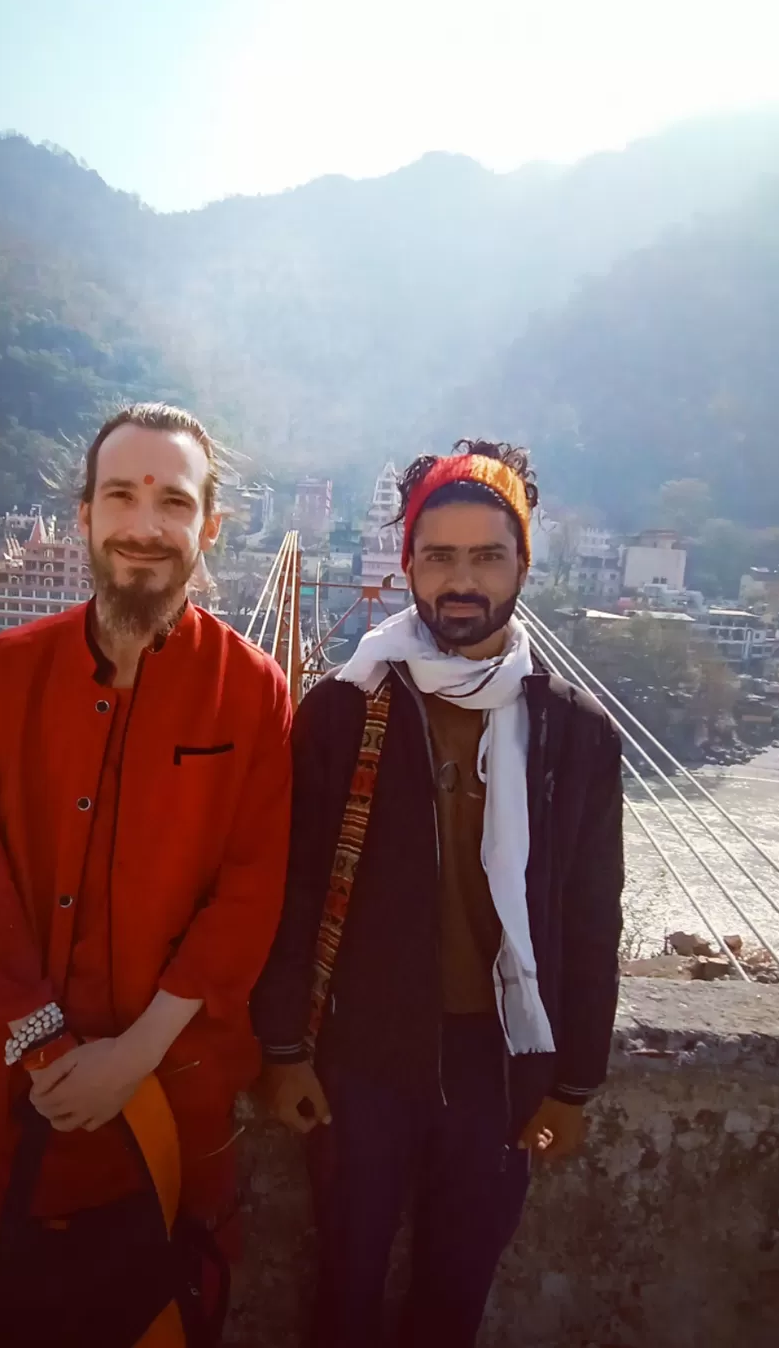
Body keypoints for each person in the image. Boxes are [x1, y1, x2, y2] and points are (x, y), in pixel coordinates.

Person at [0, 402, 293, 1345]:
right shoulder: (8, 672)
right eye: (121, 495)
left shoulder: (252, 691)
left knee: (166, 1305)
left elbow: (249, 892)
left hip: (175, 1091)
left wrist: (132, 1056)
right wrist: (47, 1050)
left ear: (209, 527)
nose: (144, 525)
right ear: (83, 514)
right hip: (15, 1092)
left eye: (173, 501)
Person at [252, 440, 624, 1348]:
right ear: (408, 564)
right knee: (342, 1282)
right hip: (362, 1061)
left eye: (488, 556)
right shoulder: (348, 709)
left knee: (456, 1293)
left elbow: (589, 913)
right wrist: (287, 1050)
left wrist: (574, 1085)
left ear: (524, 564)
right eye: (440, 555)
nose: (463, 581)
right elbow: (294, 886)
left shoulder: (573, 732)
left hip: (504, 1072)